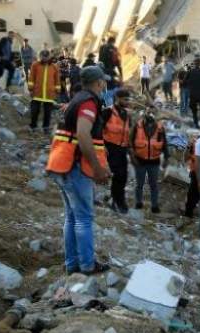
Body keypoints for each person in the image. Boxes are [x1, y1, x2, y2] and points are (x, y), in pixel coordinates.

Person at [45, 65, 112, 275]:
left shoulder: (77, 99)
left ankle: (73, 264)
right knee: (83, 218)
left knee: (72, 217)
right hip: (74, 168)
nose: (105, 84)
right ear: (99, 82)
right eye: (103, 81)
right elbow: (83, 135)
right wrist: (97, 168)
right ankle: (86, 265)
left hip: (63, 165)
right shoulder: (89, 103)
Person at [130, 106, 169, 213]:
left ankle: (154, 205)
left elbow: (164, 144)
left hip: (154, 162)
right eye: (149, 112)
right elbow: (130, 142)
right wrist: (132, 157)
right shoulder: (137, 126)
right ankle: (138, 202)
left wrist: (166, 158)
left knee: (154, 185)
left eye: (153, 112)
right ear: (145, 113)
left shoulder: (160, 128)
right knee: (139, 184)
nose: (151, 114)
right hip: (140, 161)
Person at [102, 89, 131, 214]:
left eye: (128, 99)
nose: (127, 102)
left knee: (123, 176)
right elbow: (98, 129)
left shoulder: (126, 114)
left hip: (122, 149)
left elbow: (128, 132)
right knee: (117, 175)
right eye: (125, 99)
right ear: (118, 99)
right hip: (110, 148)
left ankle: (119, 199)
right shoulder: (108, 112)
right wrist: (102, 146)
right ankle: (116, 201)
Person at [28, 50, 60, 133]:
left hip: (49, 93)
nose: (45, 58)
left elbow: (57, 80)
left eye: (46, 57)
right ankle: (33, 126)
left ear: (49, 57)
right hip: (37, 93)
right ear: (40, 57)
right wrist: (30, 89)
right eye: (43, 56)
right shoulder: (35, 65)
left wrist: (57, 90)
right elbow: (31, 77)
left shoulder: (54, 67)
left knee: (47, 112)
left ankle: (46, 128)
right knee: (34, 111)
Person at [98, 36, 121, 106]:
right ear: (113, 42)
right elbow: (117, 62)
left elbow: (100, 60)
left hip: (102, 71)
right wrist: (120, 74)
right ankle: (110, 105)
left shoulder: (102, 47)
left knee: (103, 89)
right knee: (111, 88)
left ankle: (104, 103)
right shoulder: (114, 48)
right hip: (110, 71)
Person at [183, 135, 200, 218]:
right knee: (192, 195)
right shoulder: (194, 144)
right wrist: (188, 147)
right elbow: (185, 158)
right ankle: (188, 215)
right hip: (195, 173)